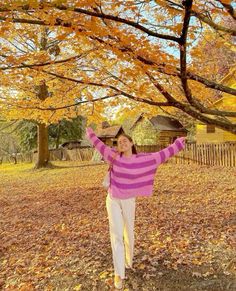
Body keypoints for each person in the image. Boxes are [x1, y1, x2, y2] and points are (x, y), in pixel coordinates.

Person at [86, 127, 185, 289]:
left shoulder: (143, 159)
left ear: (132, 143)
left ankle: (128, 260)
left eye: (125, 140)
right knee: (116, 235)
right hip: (113, 200)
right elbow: (99, 145)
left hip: (129, 201)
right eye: (119, 142)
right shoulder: (113, 156)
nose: (122, 143)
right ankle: (118, 273)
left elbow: (163, 154)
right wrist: (90, 133)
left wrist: (178, 144)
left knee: (129, 233)